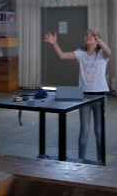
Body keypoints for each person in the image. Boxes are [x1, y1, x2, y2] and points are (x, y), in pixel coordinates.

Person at [44, 28, 111, 162]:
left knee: (99, 131)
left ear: (97, 40)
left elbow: (109, 52)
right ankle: (81, 161)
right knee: (84, 130)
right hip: (84, 97)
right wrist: (54, 44)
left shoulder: (102, 54)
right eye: (86, 34)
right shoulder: (81, 54)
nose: (88, 36)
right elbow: (62, 56)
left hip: (100, 96)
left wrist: (98, 38)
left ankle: (100, 160)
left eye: (92, 35)